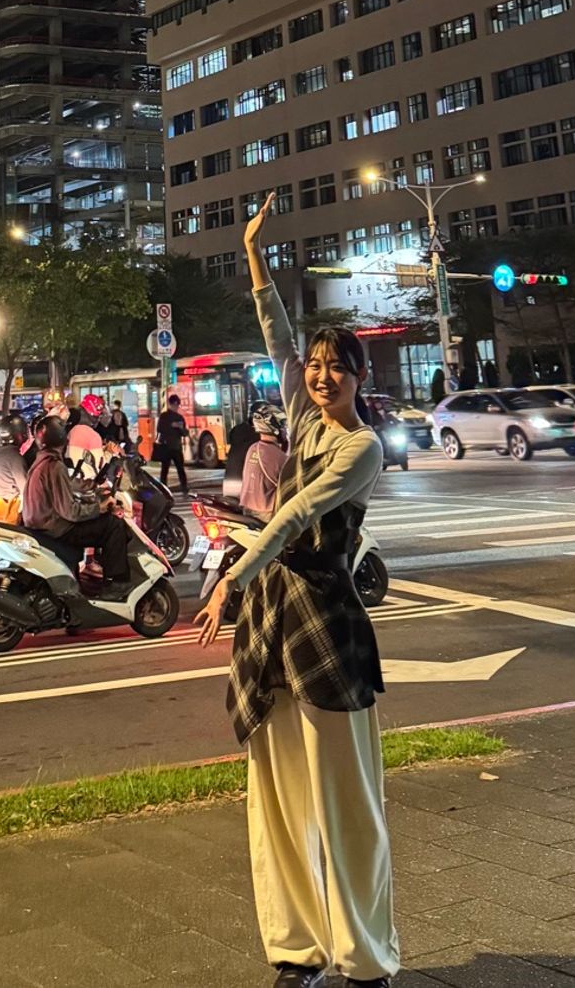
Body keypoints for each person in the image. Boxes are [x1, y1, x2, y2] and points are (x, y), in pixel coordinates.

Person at [195, 192, 398, 988]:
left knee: (345, 802)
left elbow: (298, 514)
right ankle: (297, 950)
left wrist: (233, 577)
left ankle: (365, 958)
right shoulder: (304, 418)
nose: (319, 376)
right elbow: (276, 332)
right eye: (314, 366)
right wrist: (252, 253)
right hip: (273, 616)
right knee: (276, 797)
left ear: (358, 374)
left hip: (325, 622)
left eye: (335, 366)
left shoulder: (361, 446)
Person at [21, 418, 131, 587]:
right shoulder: (54, 466)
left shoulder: (40, 463)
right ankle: (117, 584)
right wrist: (99, 508)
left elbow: (69, 484)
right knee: (113, 525)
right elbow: (70, 512)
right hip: (57, 529)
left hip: (42, 526)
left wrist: (93, 486)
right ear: (63, 439)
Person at [240, 410, 286, 521]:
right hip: (266, 511)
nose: (285, 430)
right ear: (275, 429)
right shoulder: (276, 454)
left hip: (247, 506)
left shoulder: (253, 448)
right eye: (283, 426)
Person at [155, 393, 191, 491]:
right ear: (171, 404)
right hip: (167, 446)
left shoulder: (179, 417)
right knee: (165, 469)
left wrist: (180, 428)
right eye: (175, 405)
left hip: (176, 446)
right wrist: (171, 425)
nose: (176, 407)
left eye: (177, 405)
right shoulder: (164, 416)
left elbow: (185, 433)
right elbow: (159, 429)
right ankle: (163, 488)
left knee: (179, 468)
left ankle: (184, 486)